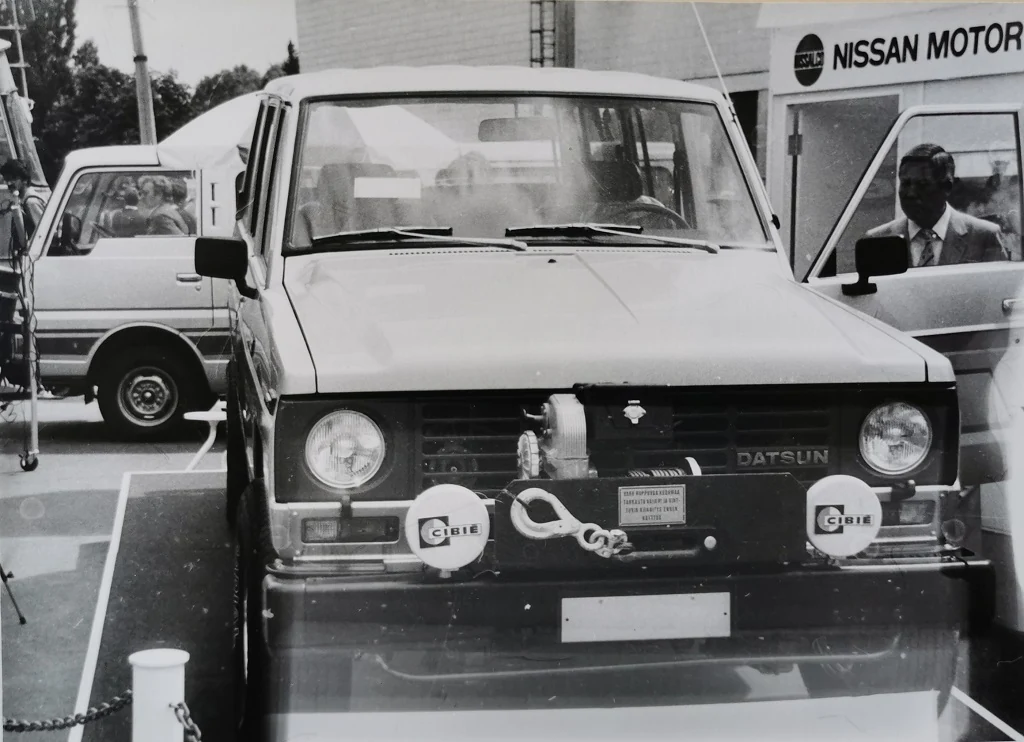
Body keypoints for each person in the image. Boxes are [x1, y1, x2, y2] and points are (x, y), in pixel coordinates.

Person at [867, 143, 1006, 266]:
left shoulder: (984, 236)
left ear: (947, 187)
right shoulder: (877, 240)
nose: (910, 193)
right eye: (906, 183)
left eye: (922, 185)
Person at [0, 158, 45, 240]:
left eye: (13, 178)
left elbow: (43, 233)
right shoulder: (20, 199)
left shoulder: (31, 202)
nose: (9, 183)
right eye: (6, 179)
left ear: (24, 179)